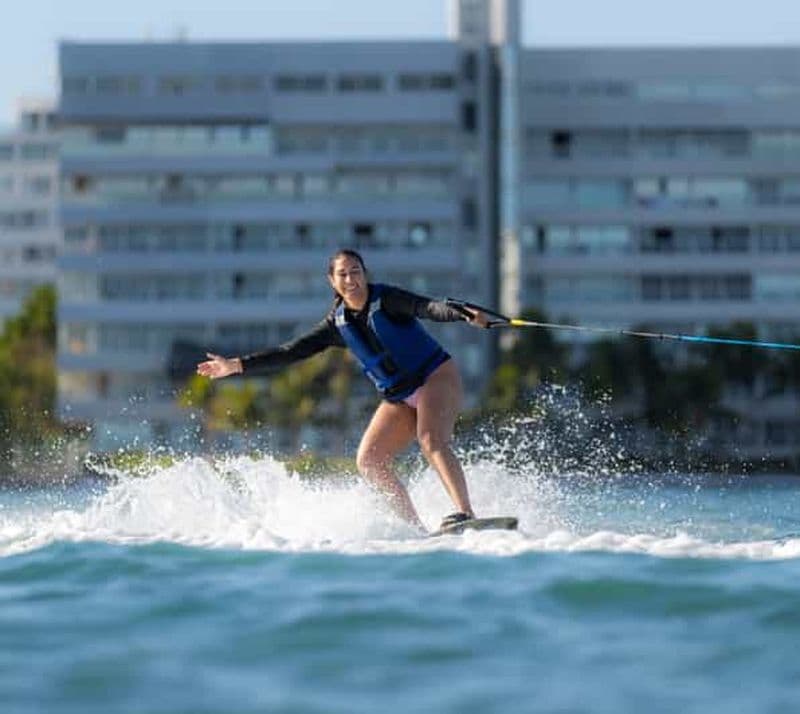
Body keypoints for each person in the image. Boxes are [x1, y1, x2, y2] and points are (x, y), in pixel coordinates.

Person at [196, 248, 490, 532]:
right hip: (399, 397)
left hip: (433, 376)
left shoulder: (387, 299)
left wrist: (461, 313)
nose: (351, 280)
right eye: (343, 274)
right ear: (332, 281)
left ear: (365, 274)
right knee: (370, 460)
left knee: (430, 439)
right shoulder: (336, 325)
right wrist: (237, 365)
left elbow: (427, 307)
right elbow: (292, 351)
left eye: (356, 272)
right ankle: (415, 529)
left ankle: (465, 512)